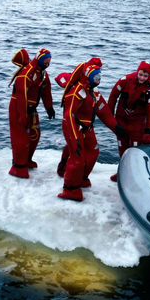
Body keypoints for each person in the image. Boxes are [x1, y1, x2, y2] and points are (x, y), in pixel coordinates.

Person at [58, 64, 125, 202]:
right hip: (74, 128)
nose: (99, 79)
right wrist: (75, 138)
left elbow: (104, 112)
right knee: (78, 159)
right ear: (89, 77)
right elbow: (68, 116)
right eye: (96, 76)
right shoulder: (77, 92)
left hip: (87, 129)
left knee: (94, 152)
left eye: (100, 76)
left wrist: (116, 129)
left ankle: (81, 178)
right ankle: (70, 189)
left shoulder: (94, 93)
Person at [107, 61, 150, 182]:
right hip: (121, 120)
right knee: (122, 148)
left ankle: (135, 175)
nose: (142, 78)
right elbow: (113, 96)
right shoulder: (125, 80)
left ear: (149, 76)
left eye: (145, 76)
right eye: (140, 74)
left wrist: (149, 132)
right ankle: (122, 172)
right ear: (137, 72)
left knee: (135, 149)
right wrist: (110, 119)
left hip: (137, 123)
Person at [8, 48, 55, 179]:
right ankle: (18, 166)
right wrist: (23, 115)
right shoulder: (26, 73)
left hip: (31, 109)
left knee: (35, 135)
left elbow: (46, 92)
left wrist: (49, 108)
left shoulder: (43, 74)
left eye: (49, 60)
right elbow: (22, 95)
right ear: (39, 59)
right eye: (46, 60)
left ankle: (26, 160)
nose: (48, 63)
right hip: (19, 108)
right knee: (21, 138)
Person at [54, 57, 103, 177]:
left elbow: (99, 105)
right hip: (75, 119)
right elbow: (70, 82)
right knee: (75, 149)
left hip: (85, 123)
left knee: (77, 148)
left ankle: (66, 168)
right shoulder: (79, 84)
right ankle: (65, 174)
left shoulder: (91, 83)